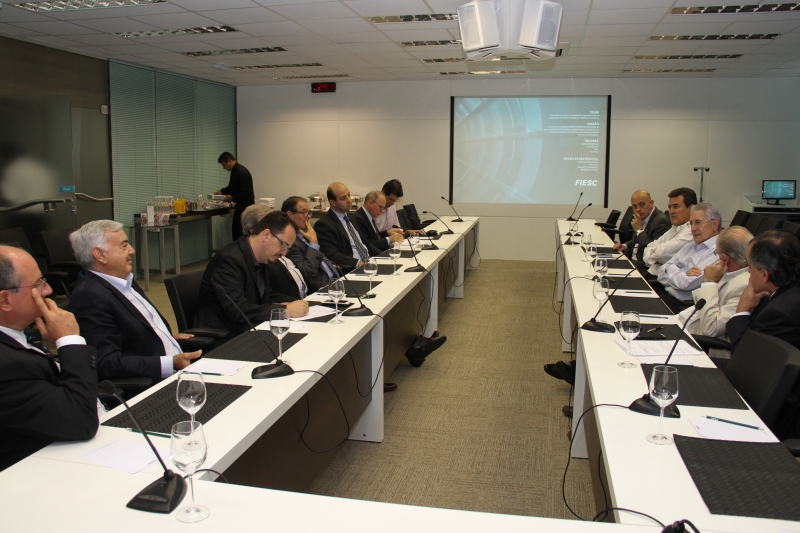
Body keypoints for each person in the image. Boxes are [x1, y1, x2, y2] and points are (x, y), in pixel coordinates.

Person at [0, 245, 99, 472]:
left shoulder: (21, 333)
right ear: (5, 300)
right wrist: (70, 340)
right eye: (37, 285)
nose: (48, 290)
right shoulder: (6, 366)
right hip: (44, 468)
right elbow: (79, 422)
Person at [69, 221, 202, 383]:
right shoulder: (89, 297)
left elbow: (131, 330)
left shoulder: (123, 280)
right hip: (154, 384)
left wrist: (162, 335)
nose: (132, 250)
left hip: (178, 368)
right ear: (100, 255)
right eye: (123, 246)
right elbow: (106, 363)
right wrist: (171, 363)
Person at [195, 211, 309, 337]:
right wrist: (285, 311)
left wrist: (299, 303)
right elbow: (239, 311)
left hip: (251, 329)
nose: (284, 253)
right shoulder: (229, 260)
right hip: (226, 337)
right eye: (283, 245)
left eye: (287, 249)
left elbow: (265, 296)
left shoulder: (261, 257)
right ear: (266, 235)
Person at [727, 229, 800, 352]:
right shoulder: (786, 290)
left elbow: (745, 357)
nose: (748, 272)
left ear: (764, 274)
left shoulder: (778, 312)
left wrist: (742, 311)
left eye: (750, 266)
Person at [678, 226, 752, 339]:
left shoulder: (744, 285)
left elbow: (711, 329)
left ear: (725, 258)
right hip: (686, 325)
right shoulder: (730, 272)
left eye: (716, 253)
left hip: (699, 342)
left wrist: (709, 283)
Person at [654, 202, 722, 310]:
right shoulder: (691, 246)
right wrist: (681, 273)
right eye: (691, 223)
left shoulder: (718, 252)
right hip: (664, 296)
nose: (693, 228)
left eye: (698, 223)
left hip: (681, 307)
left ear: (715, 224)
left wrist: (671, 268)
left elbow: (687, 284)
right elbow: (661, 272)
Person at [314, 182, 380, 273]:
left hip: (368, 264)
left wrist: (382, 256)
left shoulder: (351, 218)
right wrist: (357, 263)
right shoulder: (324, 224)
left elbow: (364, 243)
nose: (349, 200)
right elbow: (331, 254)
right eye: (343, 198)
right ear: (332, 202)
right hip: (352, 270)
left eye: (348, 195)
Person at [282, 196, 338, 295]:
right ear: (290, 215)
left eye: (309, 212)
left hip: (335, 282)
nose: (308, 216)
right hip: (320, 292)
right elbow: (306, 273)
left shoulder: (305, 234)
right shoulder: (290, 242)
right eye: (304, 212)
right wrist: (314, 243)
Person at [640, 187, 697, 276]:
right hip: (654, 275)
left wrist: (655, 257)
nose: (671, 211)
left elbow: (661, 253)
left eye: (676, 206)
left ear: (691, 209)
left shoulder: (691, 232)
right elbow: (649, 247)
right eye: (670, 207)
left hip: (663, 283)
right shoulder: (675, 228)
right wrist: (656, 259)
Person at [612, 190, 670, 266]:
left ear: (651, 203)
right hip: (631, 261)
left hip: (643, 267)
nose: (638, 209)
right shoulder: (641, 217)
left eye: (642, 204)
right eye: (635, 206)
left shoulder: (661, 221)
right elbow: (637, 242)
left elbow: (653, 250)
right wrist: (624, 246)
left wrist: (639, 230)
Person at [216, 152, 255, 242]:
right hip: (240, 206)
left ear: (229, 161)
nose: (224, 168)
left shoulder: (241, 172)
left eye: (224, 165)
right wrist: (222, 191)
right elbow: (232, 187)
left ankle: (241, 253)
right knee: (236, 231)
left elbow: (246, 192)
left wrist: (232, 198)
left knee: (240, 232)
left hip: (245, 207)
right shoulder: (235, 171)